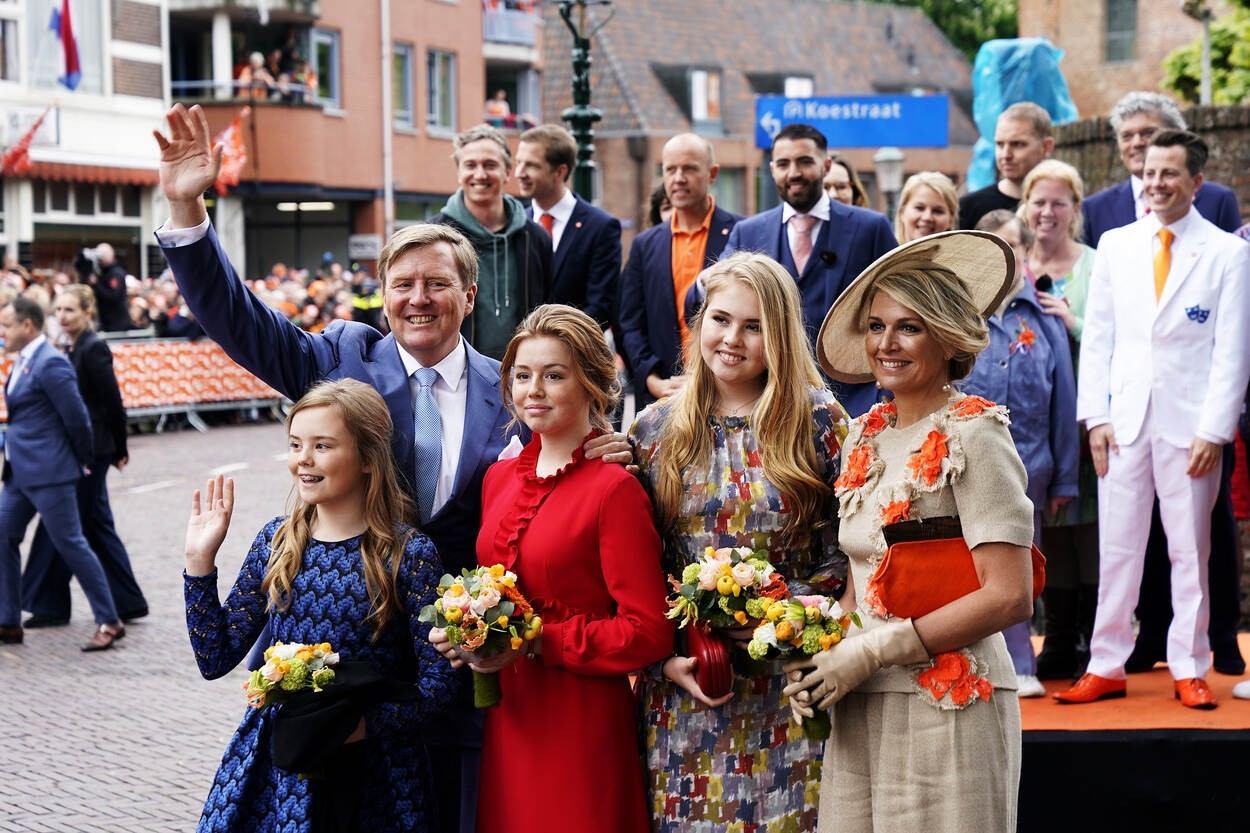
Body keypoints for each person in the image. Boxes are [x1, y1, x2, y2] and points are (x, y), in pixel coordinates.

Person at [153, 102, 628, 833]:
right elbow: (240, 320)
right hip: (347, 684)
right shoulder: (340, 359)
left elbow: (569, 472)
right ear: (382, 297)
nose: (418, 298)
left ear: (469, 296)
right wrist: (187, 209)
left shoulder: (518, 389)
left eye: (437, 283)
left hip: (465, 675)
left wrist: (611, 447)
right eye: (402, 283)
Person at [786, 230, 1034, 831]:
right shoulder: (861, 433)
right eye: (875, 326)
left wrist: (872, 650)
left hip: (952, 701)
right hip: (860, 699)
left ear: (948, 337)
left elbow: (1010, 593)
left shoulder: (977, 433)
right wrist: (819, 661)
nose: (886, 344)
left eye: (909, 327)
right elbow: (862, 577)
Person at [431, 304, 673, 831]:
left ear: (591, 383)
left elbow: (648, 632)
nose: (533, 389)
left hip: (580, 720)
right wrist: (466, 632)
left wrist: (538, 641)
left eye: (554, 375)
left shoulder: (614, 489)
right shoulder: (499, 480)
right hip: (509, 715)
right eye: (522, 375)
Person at [631, 252, 849, 832]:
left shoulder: (820, 423)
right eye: (720, 319)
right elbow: (634, 561)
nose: (732, 339)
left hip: (793, 679)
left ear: (778, 335)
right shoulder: (652, 428)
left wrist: (783, 611)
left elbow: (846, 551)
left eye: (753, 326)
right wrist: (666, 651)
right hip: (690, 683)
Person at [184, 379, 457, 832]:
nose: (303, 460)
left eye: (322, 446)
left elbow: (439, 684)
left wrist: (364, 726)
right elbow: (215, 657)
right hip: (280, 767)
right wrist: (199, 563)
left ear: (368, 458)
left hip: (377, 772)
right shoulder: (278, 541)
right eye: (295, 445)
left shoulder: (409, 553)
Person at [1055, 130, 1250, 710]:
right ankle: (1106, 662)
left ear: (1196, 182)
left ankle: (1190, 664)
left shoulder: (1227, 254)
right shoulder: (1116, 244)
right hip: (1124, 424)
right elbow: (1101, 340)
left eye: (1170, 173)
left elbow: (1231, 353)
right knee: (1118, 547)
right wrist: (1095, 418)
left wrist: (1215, 431)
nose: (1157, 182)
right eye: (1149, 172)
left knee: (1191, 551)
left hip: (1192, 429)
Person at [964, 210, 1078, 698]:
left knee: (1020, 566)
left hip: (1032, 467)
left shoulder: (1044, 316)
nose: (1002, 256)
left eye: (1011, 245)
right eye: (990, 245)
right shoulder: (961, 314)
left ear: (1027, 253)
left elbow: (1065, 400)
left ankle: (1021, 662)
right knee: (971, 566)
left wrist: (1067, 478)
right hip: (964, 465)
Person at [720, 123, 897, 416]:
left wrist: (886, 390)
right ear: (772, 169)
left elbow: (901, 305)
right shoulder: (747, 233)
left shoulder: (871, 228)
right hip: (768, 404)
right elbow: (705, 301)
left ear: (826, 165)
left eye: (804, 161)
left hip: (856, 403)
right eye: (784, 164)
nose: (794, 173)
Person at [0, 297, 124, 650]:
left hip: (51, 472)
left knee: (71, 544)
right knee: (3, 535)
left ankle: (109, 620)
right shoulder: (24, 360)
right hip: (20, 473)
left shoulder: (51, 363)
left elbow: (77, 417)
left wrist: (82, 460)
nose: (2, 332)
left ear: (27, 326)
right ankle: (8, 620)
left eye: (7, 325)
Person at [20, 285, 148, 628]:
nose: (62, 316)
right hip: (83, 449)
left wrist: (120, 449)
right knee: (94, 525)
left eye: (70, 310)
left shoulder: (93, 349)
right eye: (58, 310)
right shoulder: (72, 347)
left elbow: (112, 403)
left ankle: (49, 603)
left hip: (92, 452)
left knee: (60, 525)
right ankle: (127, 601)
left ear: (87, 313)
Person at [1018, 159, 1101, 680]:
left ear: (1074, 210)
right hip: (1031, 425)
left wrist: (1074, 323)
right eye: (1039, 202)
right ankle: (1058, 639)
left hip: (1084, 419)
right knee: (1043, 531)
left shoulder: (1096, 264)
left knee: (1085, 529)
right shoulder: (1012, 262)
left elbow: (1119, 334)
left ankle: (1092, 639)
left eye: (1058, 203)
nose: (1047, 212)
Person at [618, 133, 739, 410]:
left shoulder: (741, 233)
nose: (678, 178)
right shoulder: (644, 244)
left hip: (728, 394)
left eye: (689, 168)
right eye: (670, 169)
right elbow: (630, 324)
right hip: (664, 396)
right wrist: (651, 379)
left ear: (712, 173)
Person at [428, 124, 551, 361]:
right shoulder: (435, 237)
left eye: (490, 165)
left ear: (507, 172)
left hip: (524, 371)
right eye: (470, 165)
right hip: (456, 370)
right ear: (459, 173)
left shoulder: (535, 237)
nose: (480, 174)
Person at [1082, 91, 1241, 247]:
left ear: (1177, 136)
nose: (1137, 143)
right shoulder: (1094, 210)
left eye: (1148, 133)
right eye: (1127, 136)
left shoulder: (1218, 200)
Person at [514, 124, 621, 331]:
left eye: (532, 165)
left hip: (574, 352)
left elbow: (600, 305)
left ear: (560, 171)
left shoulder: (601, 227)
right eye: (519, 163)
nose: (519, 173)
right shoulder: (516, 225)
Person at [958, 101, 1054, 230]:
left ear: (1046, 147)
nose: (1006, 155)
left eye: (1017, 144)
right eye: (1000, 144)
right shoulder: (968, 209)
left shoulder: (1064, 210)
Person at [74, 242, 132, 332]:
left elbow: (113, 296)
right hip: (104, 322)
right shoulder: (100, 273)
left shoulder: (116, 273)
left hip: (117, 324)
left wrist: (96, 284)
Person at [894, 171, 958, 244]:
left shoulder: (968, 255)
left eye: (937, 211)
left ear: (951, 219)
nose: (927, 217)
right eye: (919, 208)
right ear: (902, 212)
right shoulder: (881, 253)